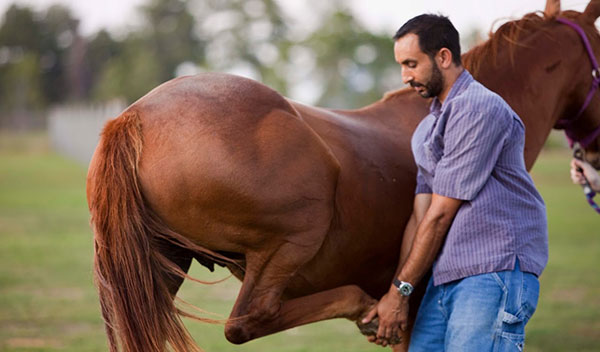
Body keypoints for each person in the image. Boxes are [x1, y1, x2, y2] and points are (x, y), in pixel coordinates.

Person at [361, 14, 548, 351]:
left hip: (493, 271)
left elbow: (440, 214)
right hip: (446, 277)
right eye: (402, 66)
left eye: (411, 64)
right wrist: (399, 294)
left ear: (443, 57)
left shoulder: (477, 108)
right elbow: (420, 217)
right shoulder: (426, 130)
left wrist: (398, 293)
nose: (405, 77)